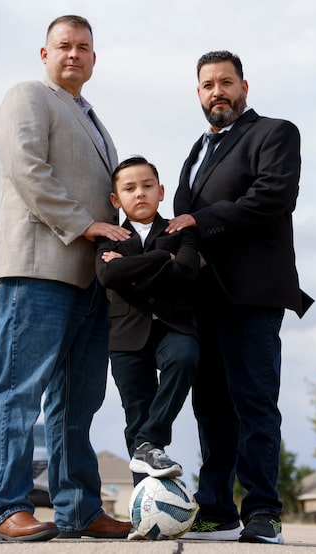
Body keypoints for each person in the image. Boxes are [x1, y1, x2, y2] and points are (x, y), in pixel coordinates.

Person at [0, 15, 133, 542]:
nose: (74, 54)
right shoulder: (27, 96)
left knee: (77, 402)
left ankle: (79, 510)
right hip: (38, 268)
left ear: (95, 58)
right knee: (20, 392)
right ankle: (7, 509)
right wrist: (84, 224)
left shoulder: (94, 119)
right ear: (44, 54)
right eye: (63, 46)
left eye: (84, 47)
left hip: (91, 280)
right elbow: (27, 169)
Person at [166, 50, 314, 545]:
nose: (217, 92)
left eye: (225, 82)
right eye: (207, 85)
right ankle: (216, 510)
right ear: (198, 94)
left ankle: (263, 512)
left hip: (250, 295)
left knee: (254, 403)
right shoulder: (195, 151)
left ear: (244, 87)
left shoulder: (274, 132)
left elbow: (274, 196)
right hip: (202, 299)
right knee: (210, 409)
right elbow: (180, 220)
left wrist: (201, 221)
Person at [95, 156, 200, 487]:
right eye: (129, 188)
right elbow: (108, 274)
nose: (139, 193)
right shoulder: (109, 236)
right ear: (116, 199)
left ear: (161, 191)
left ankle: (150, 441)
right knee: (136, 411)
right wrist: (161, 260)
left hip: (174, 327)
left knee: (185, 358)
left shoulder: (179, 231)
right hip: (125, 335)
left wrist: (133, 265)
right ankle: (148, 499)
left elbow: (186, 271)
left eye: (147, 186)